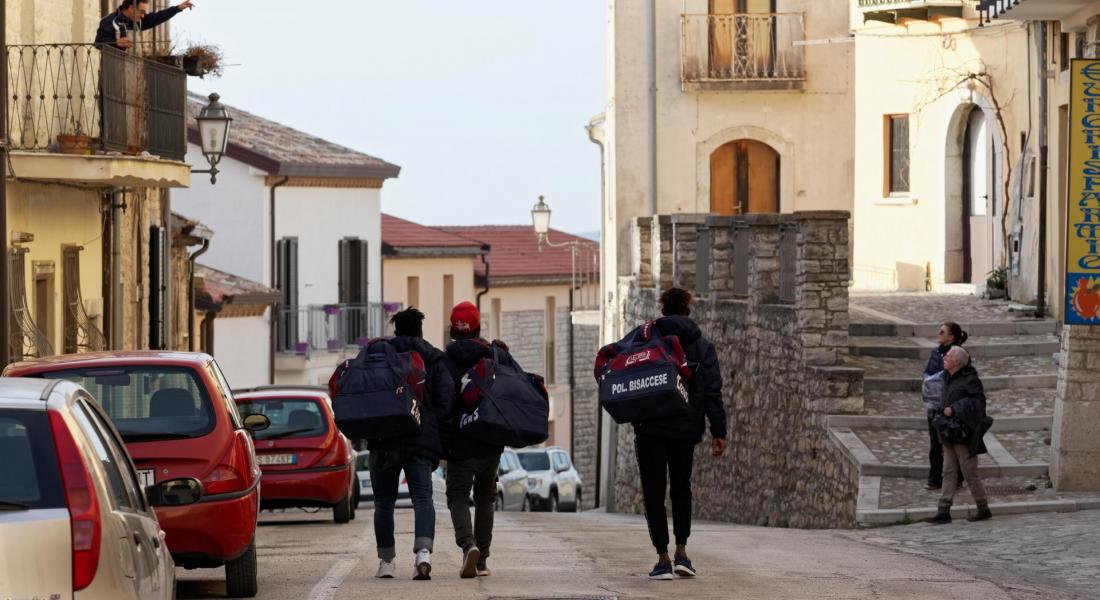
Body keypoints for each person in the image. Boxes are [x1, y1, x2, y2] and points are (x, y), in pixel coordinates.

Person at [629, 287, 727, 581]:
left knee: (654, 492)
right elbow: (713, 392)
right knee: (681, 489)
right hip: (686, 429)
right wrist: (718, 431)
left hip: (651, 428)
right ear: (688, 310)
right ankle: (682, 553)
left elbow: (628, 374)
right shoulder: (702, 346)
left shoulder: (645, 338)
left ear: (663, 309)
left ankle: (662, 559)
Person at [353, 308, 454, 580]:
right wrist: (437, 434)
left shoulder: (377, 355)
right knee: (422, 499)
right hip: (419, 439)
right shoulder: (433, 359)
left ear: (396, 331)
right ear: (420, 331)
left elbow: (360, 391)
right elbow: (446, 402)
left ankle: (386, 562)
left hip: (382, 438)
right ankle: (423, 554)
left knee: (383, 503)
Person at [441, 301, 522, 579]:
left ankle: (468, 545)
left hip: (460, 441)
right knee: (485, 498)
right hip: (489, 438)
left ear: (453, 328)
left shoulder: (444, 360)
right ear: (477, 327)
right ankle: (482, 560)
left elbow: (441, 402)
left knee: (458, 496)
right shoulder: (493, 354)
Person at [926, 347, 994, 524]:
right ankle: (943, 511)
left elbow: (978, 404)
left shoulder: (970, 380)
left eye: (948, 356)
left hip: (963, 434)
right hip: (948, 433)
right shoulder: (947, 377)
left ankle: (983, 508)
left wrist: (955, 409)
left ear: (957, 362)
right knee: (947, 471)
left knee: (969, 472)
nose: (945, 358)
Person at [922, 321, 968, 490]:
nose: (938, 333)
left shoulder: (959, 355)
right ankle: (934, 479)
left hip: (950, 406)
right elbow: (928, 372)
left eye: (942, 332)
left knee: (953, 443)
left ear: (951, 337)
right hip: (934, 404)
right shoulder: (935, 353)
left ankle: (957, 477)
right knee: (935, 443)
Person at [96, 0, 195, 50]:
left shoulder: (138, 21)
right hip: (111, 74)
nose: (143, 16)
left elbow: (158, 17)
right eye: (142, 12)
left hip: (133, 76)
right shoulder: (110, 20)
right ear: (131, 8)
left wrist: (178, 8)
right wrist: (116, 42)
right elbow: (98, 42)